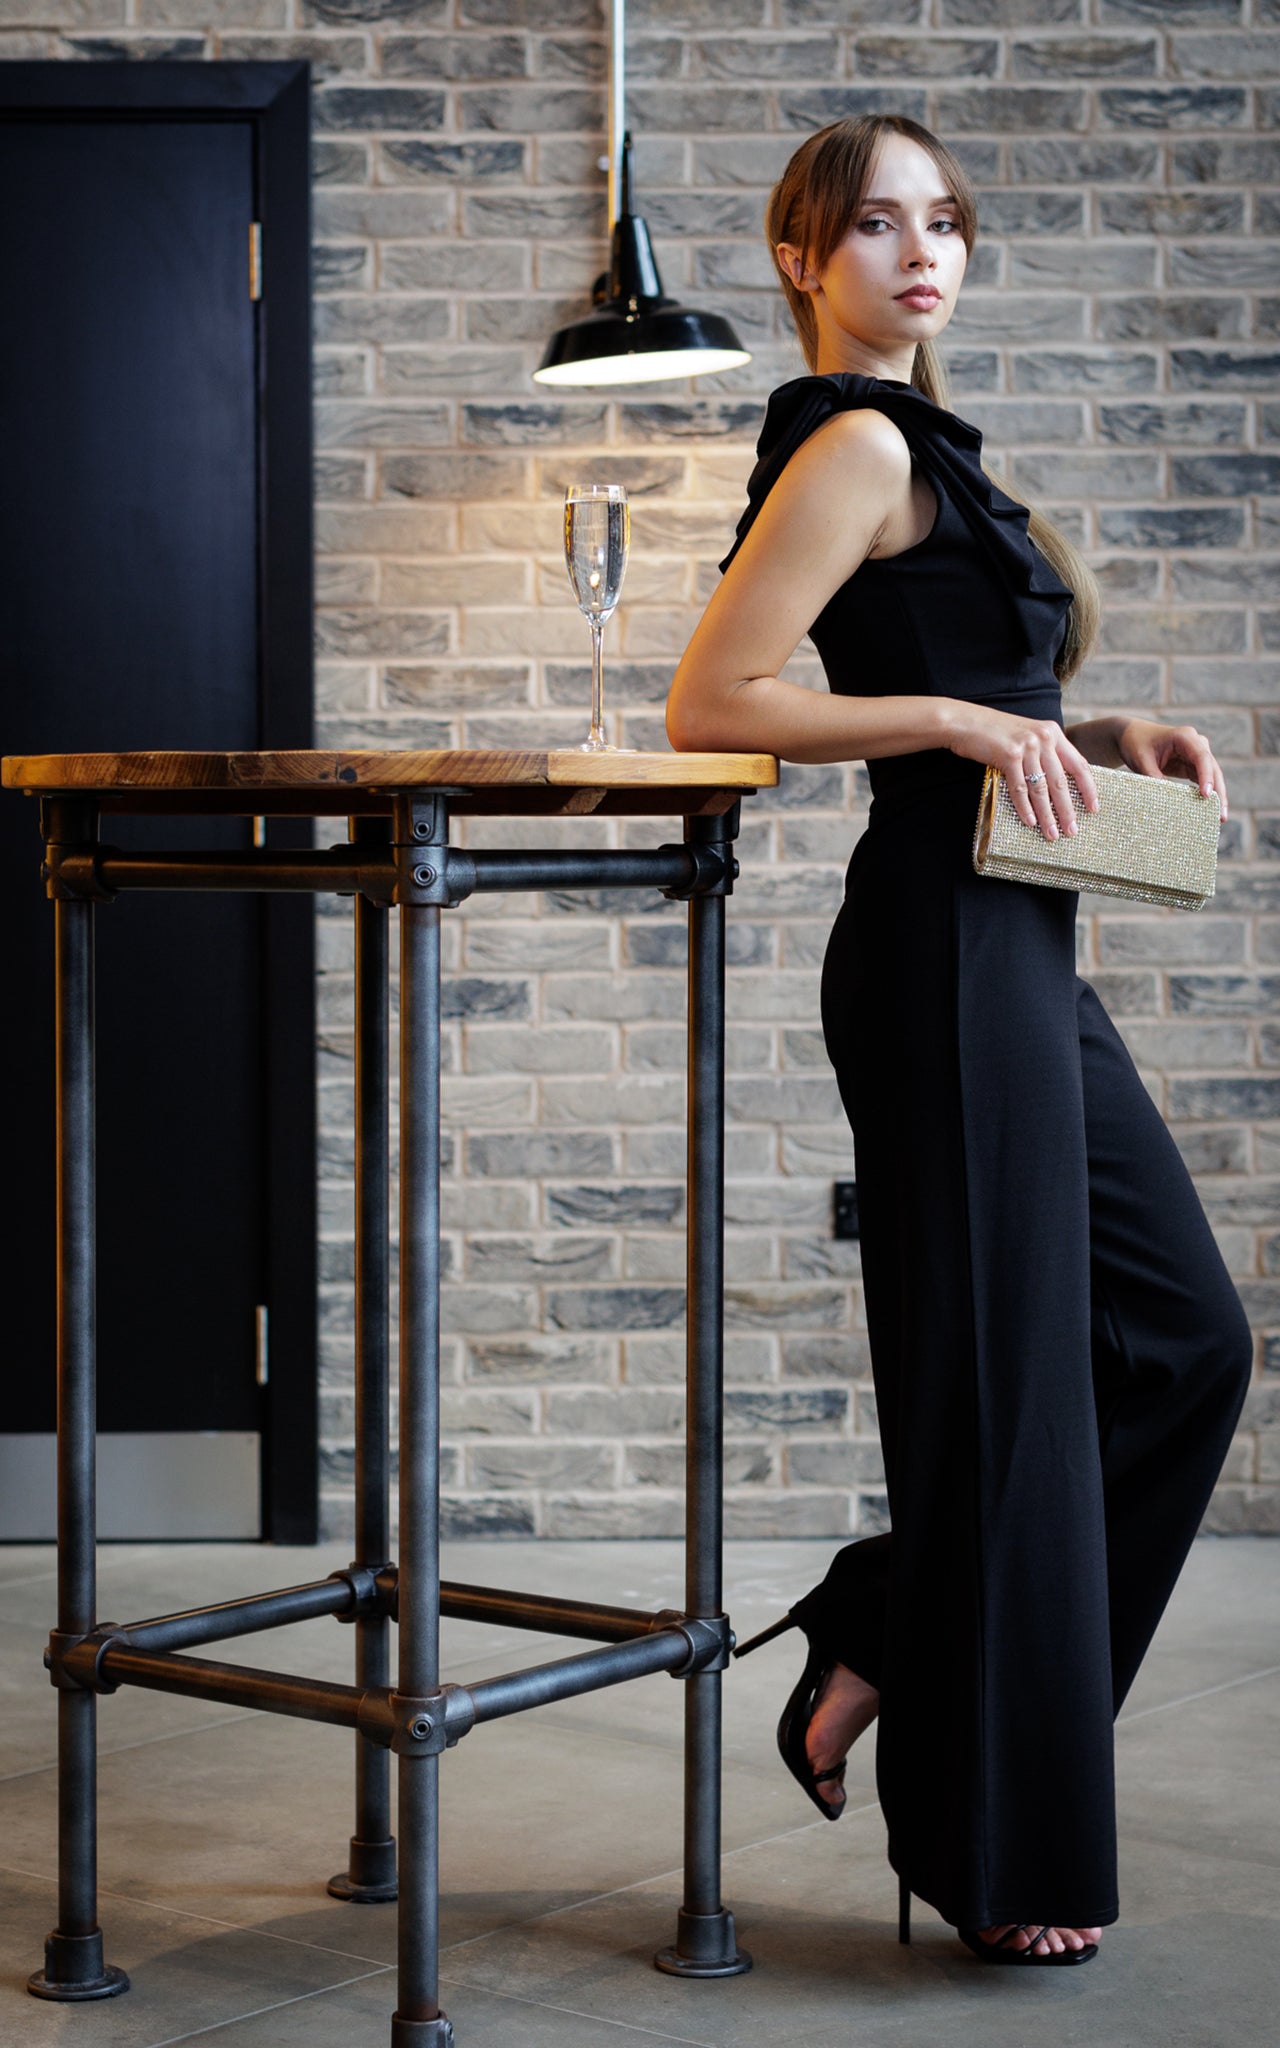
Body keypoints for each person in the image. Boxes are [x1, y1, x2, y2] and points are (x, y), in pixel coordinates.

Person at [666, 112, 1254, 1967]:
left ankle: (881, 1622)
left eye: (946, 223)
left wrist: (1106, 725)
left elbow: (989, 688)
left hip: (1021, 946)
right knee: (1004, 1391)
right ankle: (994, 1854)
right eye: (877, 226)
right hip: (938, 956)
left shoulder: (930, 451)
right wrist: (953, 722)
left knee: (1185, 1343)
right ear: (802, 257)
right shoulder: (849, 439)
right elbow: (713, 700)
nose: (922, 253)